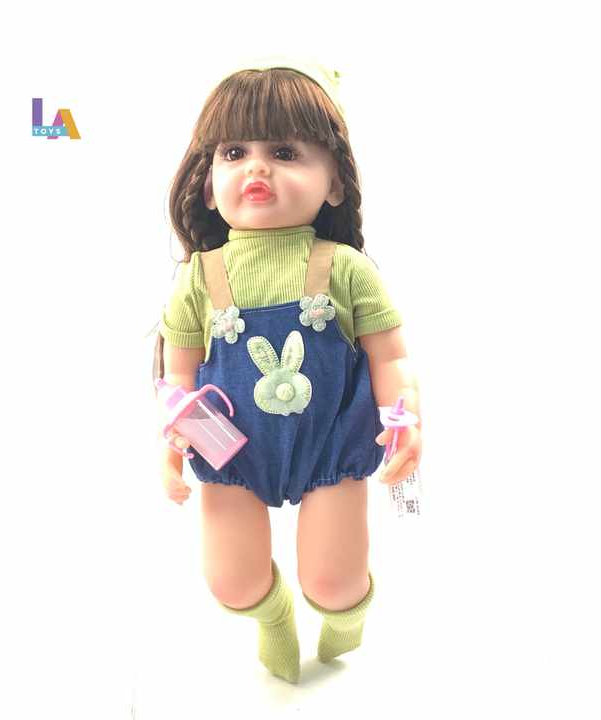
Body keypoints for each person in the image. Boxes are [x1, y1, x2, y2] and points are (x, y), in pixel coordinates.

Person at [152, 56, 423, 684]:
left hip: (330, 439)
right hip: (227, 444)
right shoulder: (198, 278)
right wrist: (170, 445)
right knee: (232, 579)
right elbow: (178, 379)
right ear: (207, 182)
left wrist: (405, 420)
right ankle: (273, 618)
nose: (256, 168)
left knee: (334, 581)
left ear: (335, 183)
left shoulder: (346, 267)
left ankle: (346, 616)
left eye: (284, 151)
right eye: (234, 152)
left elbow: (390, 356)